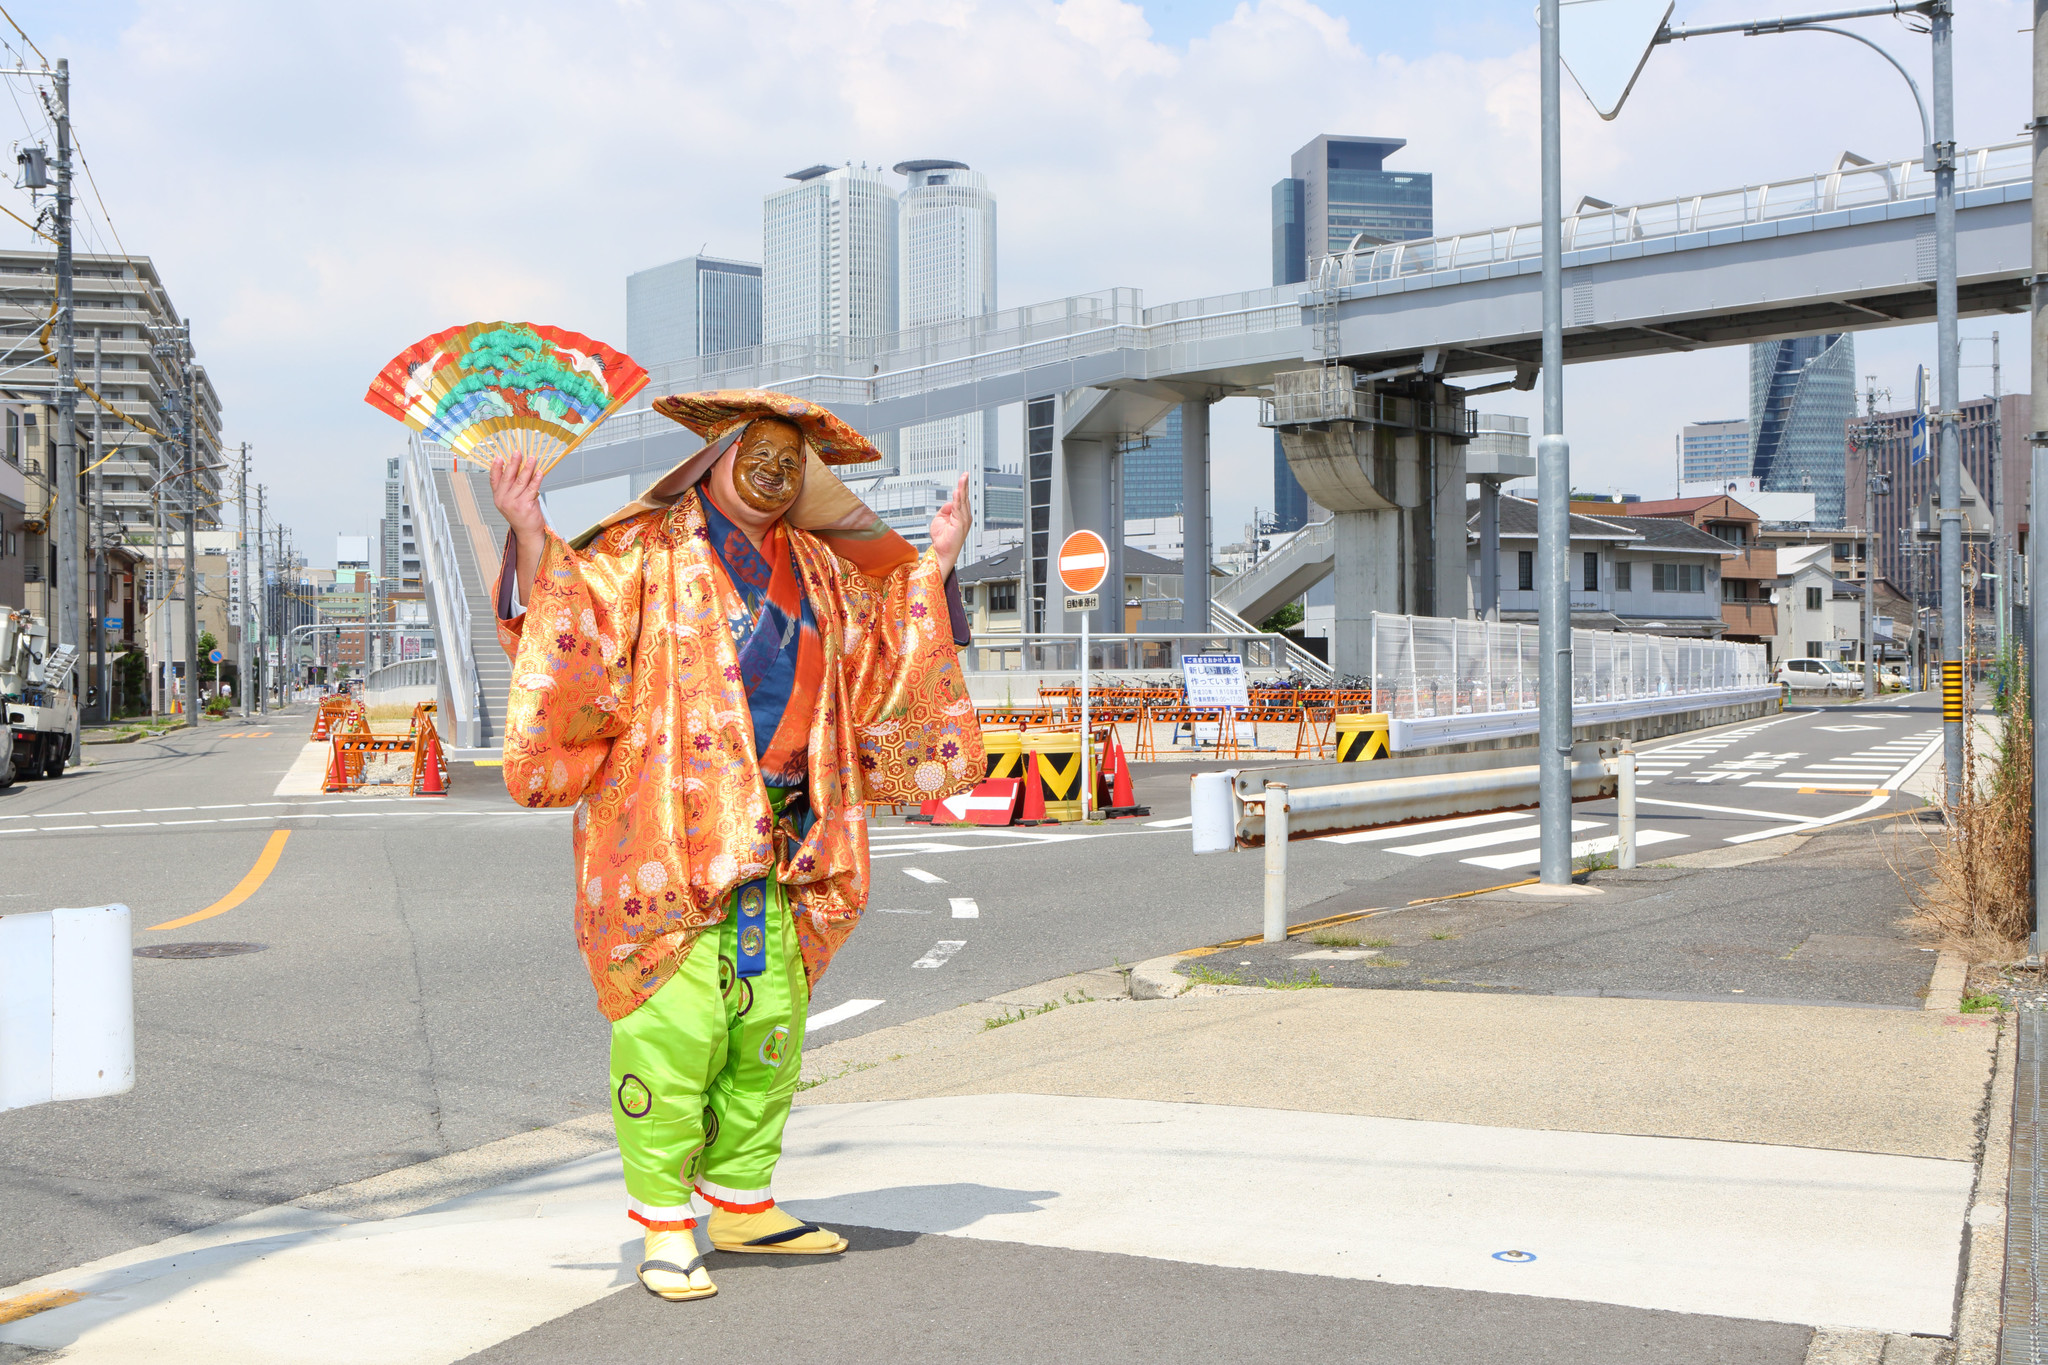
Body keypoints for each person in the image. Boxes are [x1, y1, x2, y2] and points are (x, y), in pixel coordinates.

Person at [489, 390, 983, 1303]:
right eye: (757, 452)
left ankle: (744, 1200)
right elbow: (572, 622)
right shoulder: (644, 552)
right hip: (670, 832)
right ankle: (665, 1223)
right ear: (711, 459)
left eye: (791, 459)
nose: (774, 470)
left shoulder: (822, 568)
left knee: (768, 1029)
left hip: (794, 829)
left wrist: (937, 561)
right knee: (673, 1032)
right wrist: (528, 532)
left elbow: (884, 650)